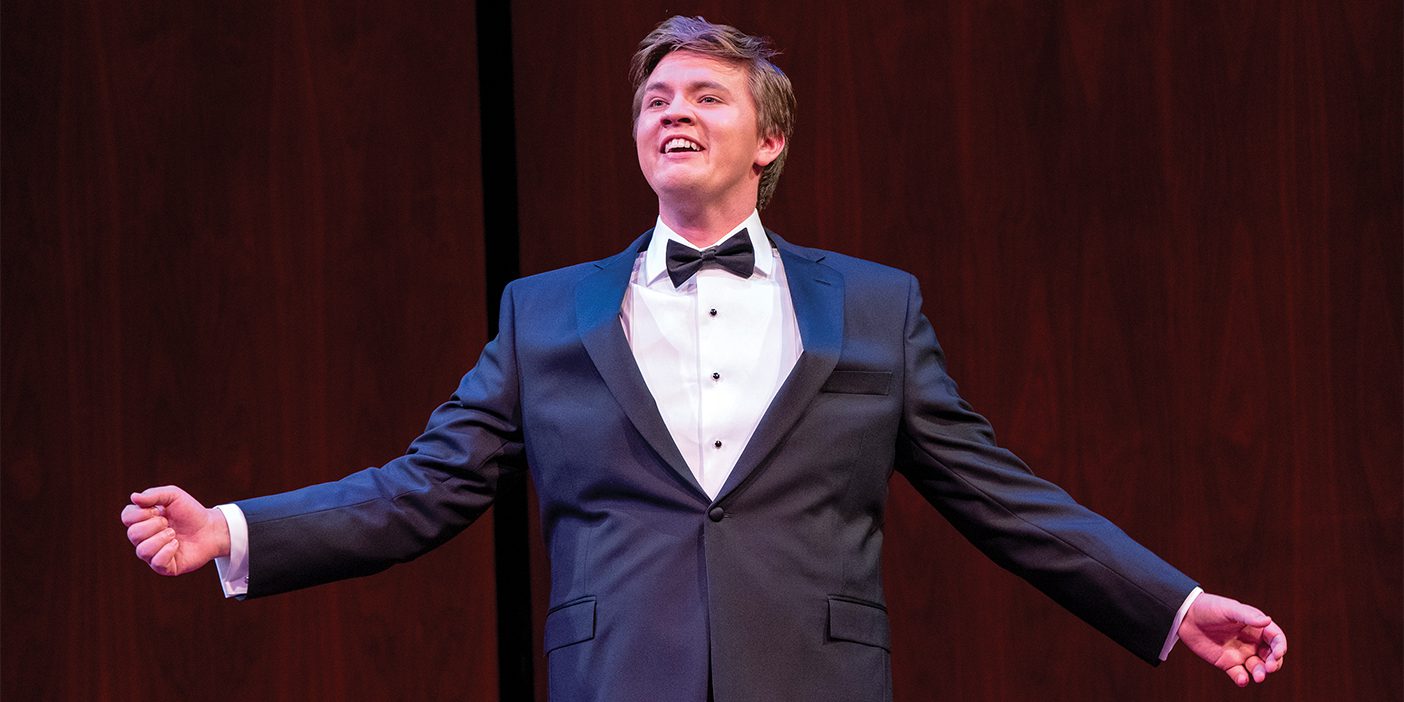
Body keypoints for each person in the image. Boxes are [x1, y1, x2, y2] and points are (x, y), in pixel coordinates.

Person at [121, 16, 1286, 701]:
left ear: (768, 138)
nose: (671, 112)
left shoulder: (873, 310)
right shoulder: (546, 314)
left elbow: (1004, 496)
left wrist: (1171, 605)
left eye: (705, 96)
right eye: (654, 100)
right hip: (617, 677)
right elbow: (422, 490)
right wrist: (235, 529)